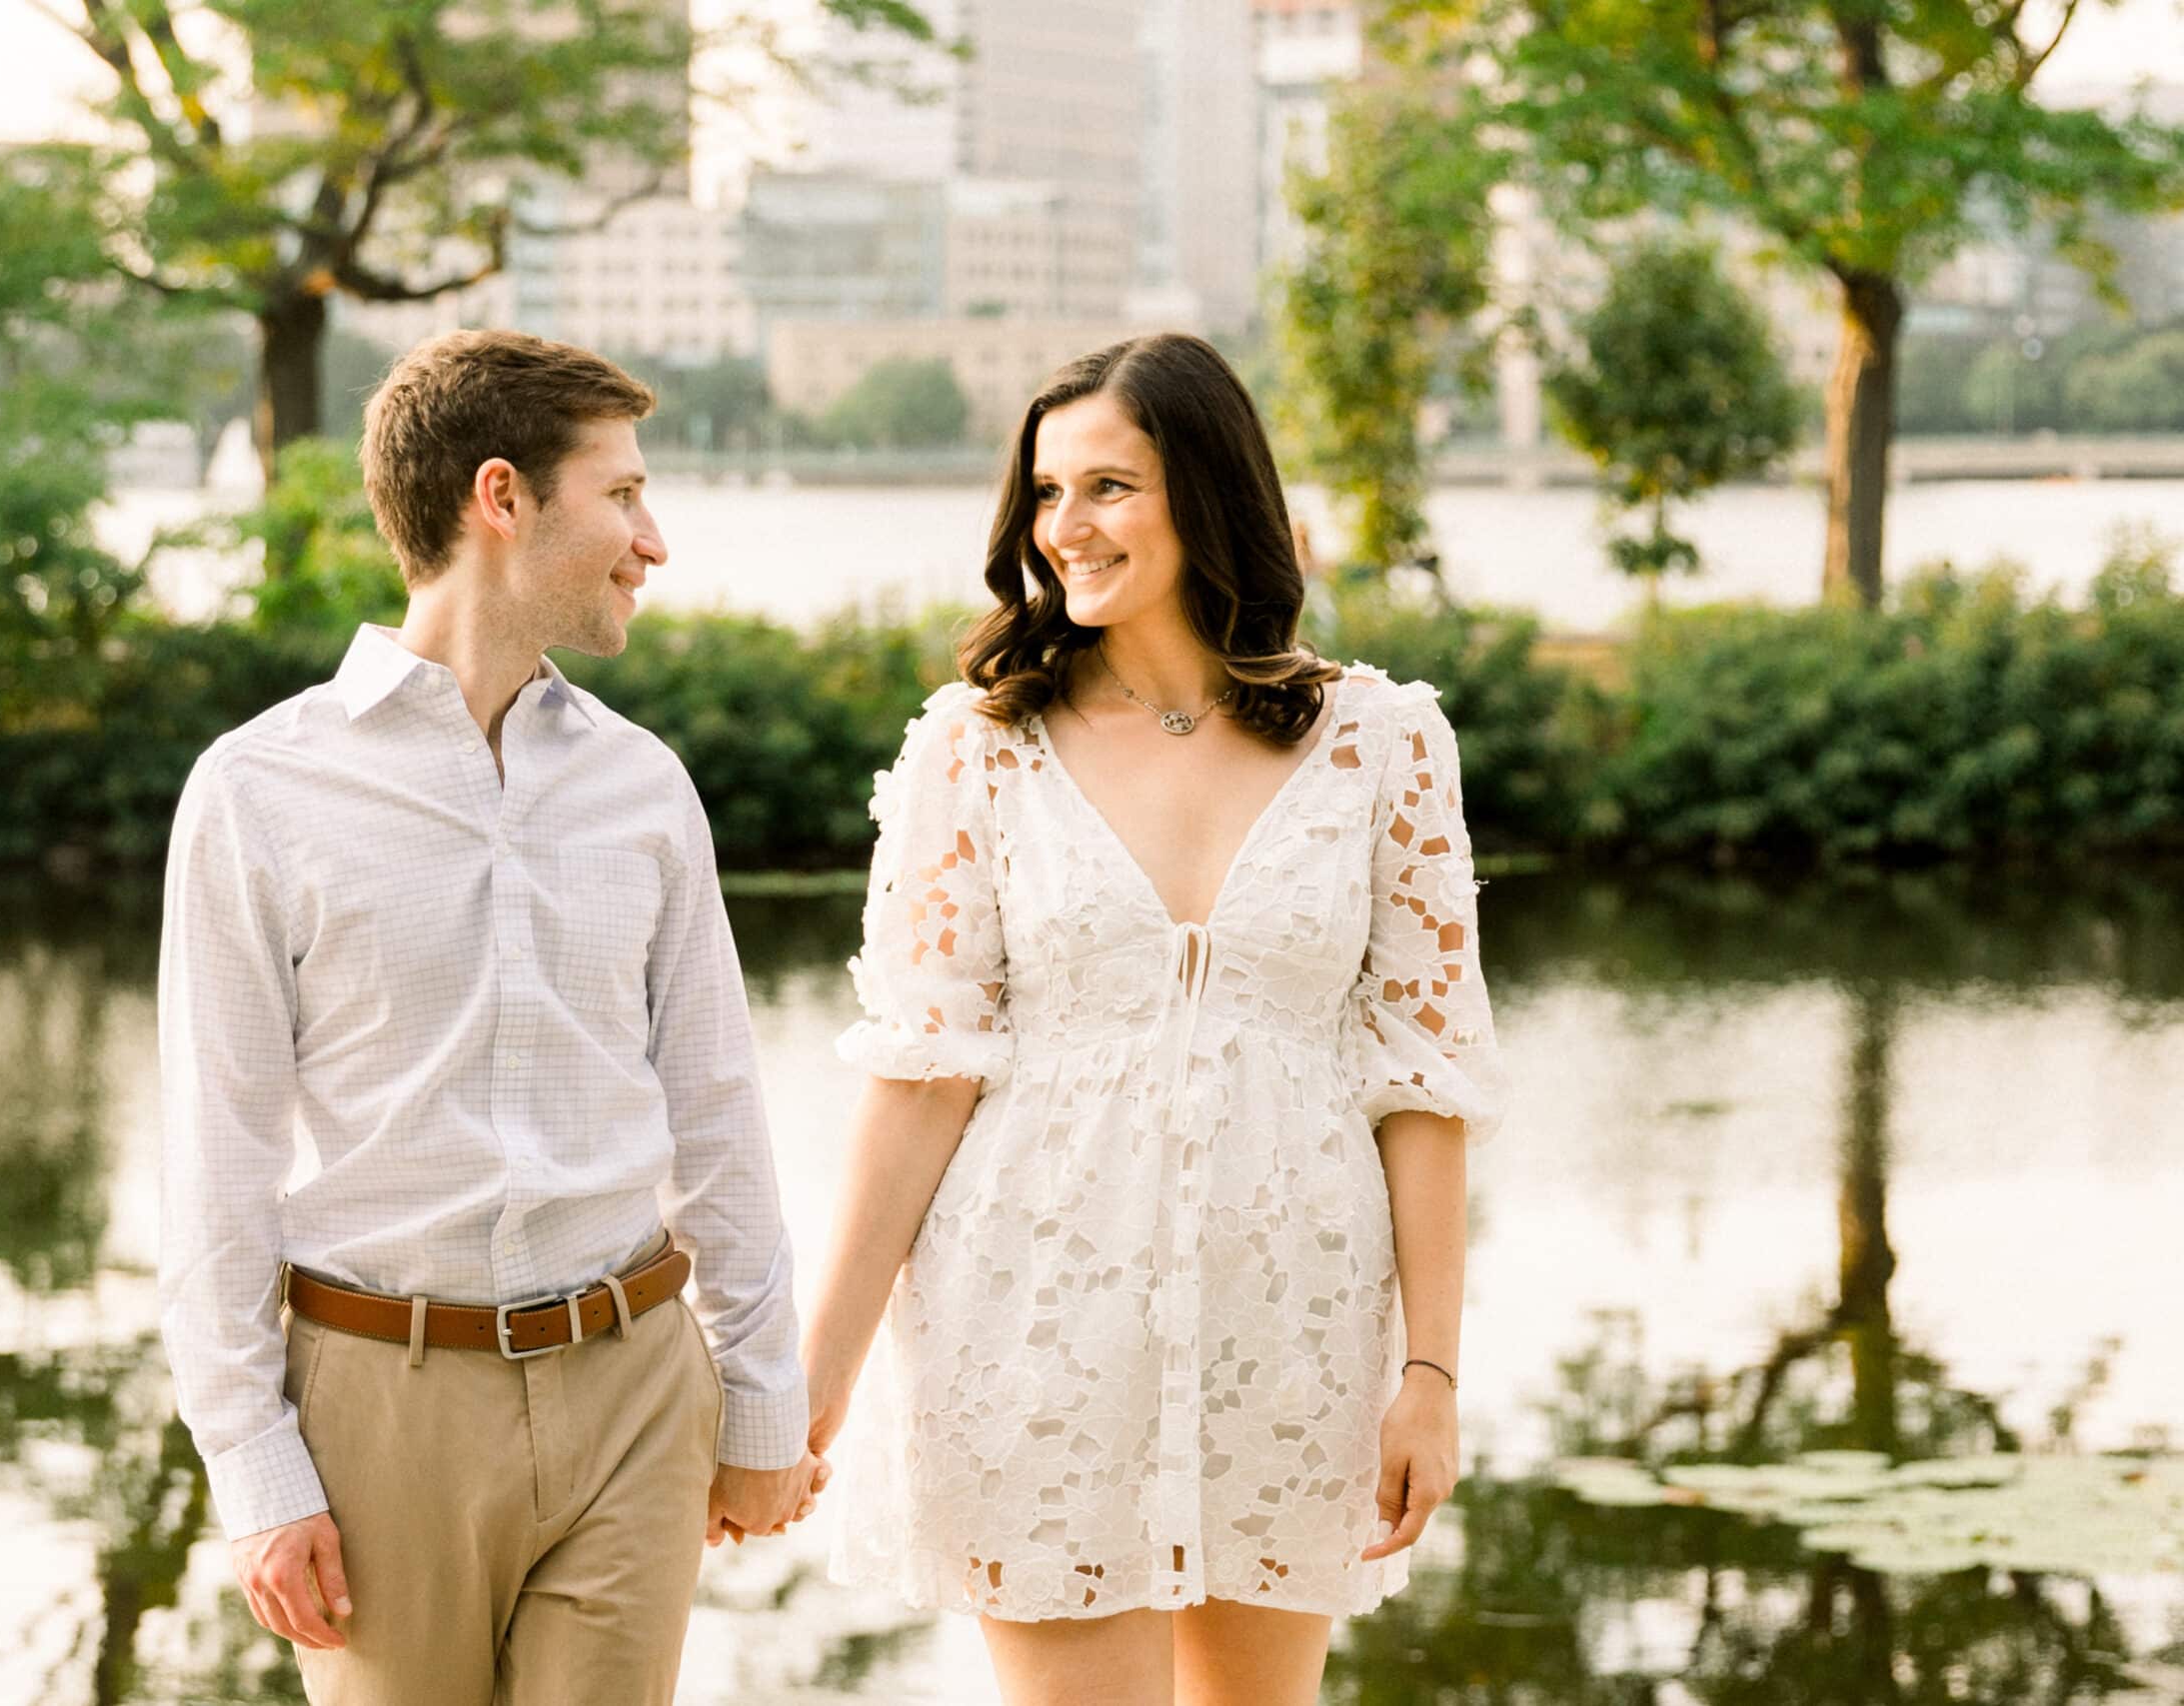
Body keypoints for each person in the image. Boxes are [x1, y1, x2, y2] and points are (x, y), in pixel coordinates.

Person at [801, 332, 1507, 1706]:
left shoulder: (1381, 745)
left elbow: (1425, 1082)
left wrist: (1430, 1373)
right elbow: (919, 1079)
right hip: (1037, 1328)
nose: (1068, 525)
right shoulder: (977, 746)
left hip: (1292, 1339)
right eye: (1048, 493)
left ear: (1209, 488)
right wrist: (812, 1381)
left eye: (1110, 485)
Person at [156, 329, 823, 1706]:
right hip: (379, 1401)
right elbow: (214, 1165)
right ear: (502, 497)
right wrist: (254, 1465)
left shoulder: (644, 787)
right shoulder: (257, 791)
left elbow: (718, 1110)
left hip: (636, 1386)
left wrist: (764, 1394)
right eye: (623, 495)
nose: (654, 540)